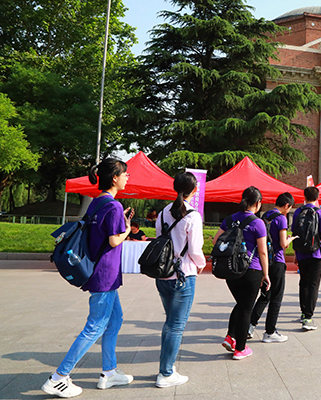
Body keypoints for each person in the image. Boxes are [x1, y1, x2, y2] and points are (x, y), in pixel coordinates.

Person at [42, 159, 134, 398]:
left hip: (99, 272)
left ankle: (109, 372)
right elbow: (113, 240)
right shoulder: (114, 206)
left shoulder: (97, 202)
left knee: (115, 320)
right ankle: (58, 377)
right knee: (95, 326)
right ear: (114, 177)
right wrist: (127, 228)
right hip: (105, 275)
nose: (128, 177)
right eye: (125, 174)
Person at [155, 172, 205, 387]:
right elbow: (195, 249)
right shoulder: (193, 215)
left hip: (163, 273)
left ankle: (167, 367)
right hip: (184, 274)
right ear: (195, 190)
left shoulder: (162, 213)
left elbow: (160, 240)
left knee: (170, 323)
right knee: (176, 326)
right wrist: (201, 264)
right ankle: (165, 373)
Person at [213, 186, 270, 360]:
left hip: (231, 270)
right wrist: (266, 274)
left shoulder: (229, 219)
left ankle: (231, 337)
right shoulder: (258, 223)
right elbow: (263, 252)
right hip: (251, 270)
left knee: (241, 304)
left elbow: (215, 241)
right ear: (258, 203)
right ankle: (240, 348)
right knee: (246, 308)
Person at [249, 192, 296, 342]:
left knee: (265, 295)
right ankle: (270, 332)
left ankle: (250, 325)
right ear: (287, 205)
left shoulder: (265, 216)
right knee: (276, 297)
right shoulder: (281, 218)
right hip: (277, 261)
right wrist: (290, 239)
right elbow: (283, 243)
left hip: (265, 262)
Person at [292, 186, 321, 331]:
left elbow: (294, 232)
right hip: (316, 253)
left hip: (301, 253)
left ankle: (303, 312)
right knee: (313, 285)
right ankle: (308, 317)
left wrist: (295, 253)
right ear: (317, 197)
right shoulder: (319, 212)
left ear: (305, 197)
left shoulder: (298, 212)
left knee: (304, 283)